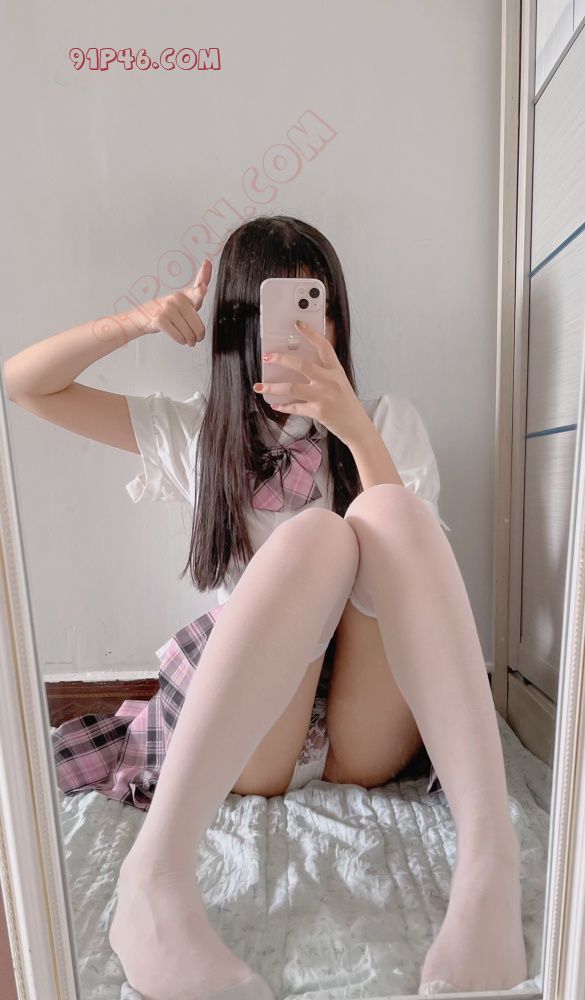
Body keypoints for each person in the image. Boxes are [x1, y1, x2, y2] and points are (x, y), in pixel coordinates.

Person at [3, 215, 527, 998]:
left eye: (314, 308)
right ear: (235, 330)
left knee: (390, 515)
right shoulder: (199, 434)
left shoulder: (387, 422)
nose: (297, 333)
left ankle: (489, 865)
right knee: (316, 537)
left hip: (364, 731)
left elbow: (420, 585)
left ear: (338, 320)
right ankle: (154, 878)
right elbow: (25, 384)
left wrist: (354, 429)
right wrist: (138, 321)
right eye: (270, 313)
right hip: (253, 735)